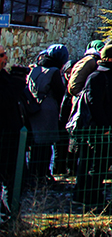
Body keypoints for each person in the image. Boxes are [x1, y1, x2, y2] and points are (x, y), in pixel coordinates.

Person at [74, 42, 112, 211]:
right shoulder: (98, 77)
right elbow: (94, 104)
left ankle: (97, 198)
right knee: (95, 166)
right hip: (100, 131)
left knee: (102, 166)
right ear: (111, 59)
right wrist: (104, 126)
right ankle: (91, 201)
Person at [26, 44, 69, 182]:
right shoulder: (54, 71)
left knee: (36, 145)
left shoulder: (35, 69)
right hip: (48, 110)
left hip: (33, 108)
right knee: (45, 145)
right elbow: (59, 92)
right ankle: (43, 174)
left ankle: (33, 174)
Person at [0, 46, 29, 221]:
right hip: (4, 137)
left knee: (15, 178)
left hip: (12, 138)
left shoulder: (5, 78)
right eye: (2, 55)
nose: (6, 58)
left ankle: (12, 214)